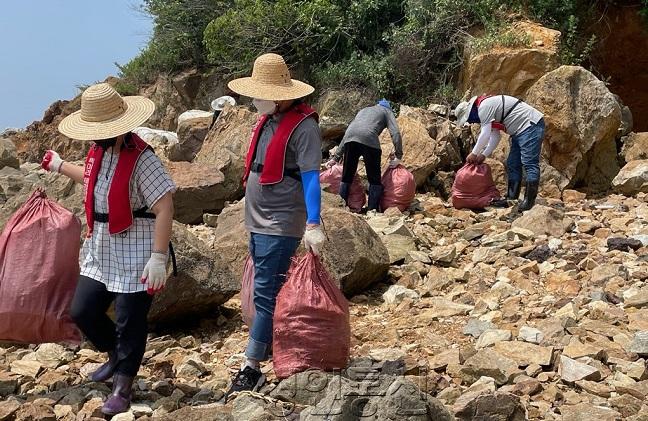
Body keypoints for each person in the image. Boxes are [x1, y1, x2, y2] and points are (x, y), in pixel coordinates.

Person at [41, 83, 175, 417]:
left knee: (130, 320)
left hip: (137, 246)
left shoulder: (143, 160)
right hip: (102, 245)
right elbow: (91, 181)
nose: (94, 136)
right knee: (83, 309)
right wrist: (59, 165)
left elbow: (165, 207)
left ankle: (123, 385)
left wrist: (159, 257)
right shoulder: (100, 152)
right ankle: (115, 356)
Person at [225, 53, 325, 396]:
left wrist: (314, 222)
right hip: (257, 219)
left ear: (282, 94)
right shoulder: (269, 119)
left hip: (280, 222)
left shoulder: (304, 127)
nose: (256, 99)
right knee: (268, 286)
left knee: (266, 293)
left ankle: (252, 367)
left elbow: (312, 177)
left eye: (261, 92)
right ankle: (268, 342)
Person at [454, 94, 545, 211]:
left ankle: (529, 201)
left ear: (471, 111)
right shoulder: (487, 109)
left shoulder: (483, 107)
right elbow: (495, 136)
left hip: (530, 125)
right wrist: (483, 155)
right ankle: (511, 198)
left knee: (529, 163)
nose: (471, 122)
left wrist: (474, 153)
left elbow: (485, 134)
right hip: (519, 131)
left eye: (468, 119)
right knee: (512, 163)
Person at [327, 99, 403, 211]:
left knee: (347, 176)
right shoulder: (387, 111)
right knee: (374, 178)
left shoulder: (364, 110)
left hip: (350, 138)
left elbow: (349, 133)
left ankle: (341, 207)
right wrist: (398, 155)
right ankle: (372, 209)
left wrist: (336, 157)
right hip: (369, 138)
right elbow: (395, 132)